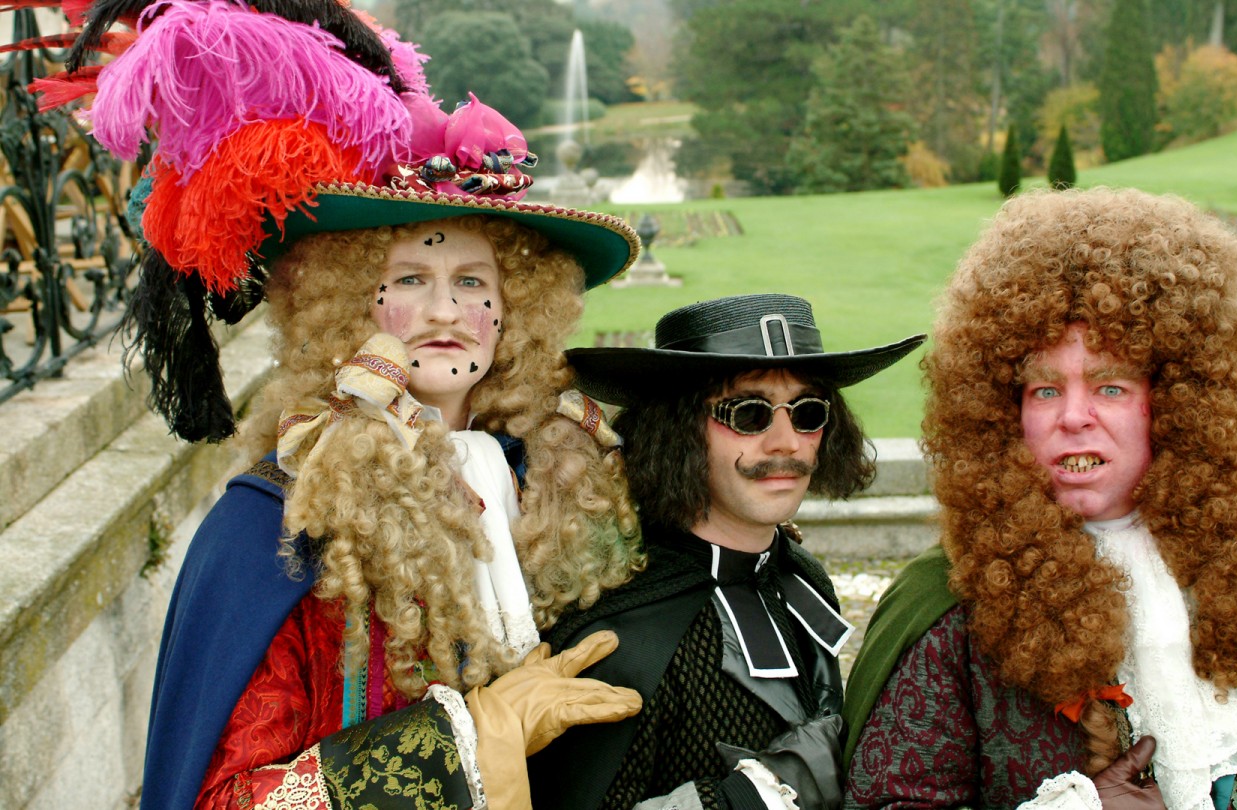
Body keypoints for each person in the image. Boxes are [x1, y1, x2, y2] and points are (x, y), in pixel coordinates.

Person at [38, 2, 647, 808]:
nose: (443, 311)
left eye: (472, 282)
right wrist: (472, 741)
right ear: (346, 303)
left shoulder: (560, 483)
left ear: (515, 311)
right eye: (409, 280)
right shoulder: (275, 527)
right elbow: (223, 799)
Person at [841, 188, 1237, 810]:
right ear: (1003, 410)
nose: (1074, 416)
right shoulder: (948, 605)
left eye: (1110, 387)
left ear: (1177, 404)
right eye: (1044, 390)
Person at [529, 294, 925, 810]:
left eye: (807, 413)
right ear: (678, 431)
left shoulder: (802, 576)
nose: (786, 442)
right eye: (749, 413)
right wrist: (744, 799)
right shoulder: (626, 642)